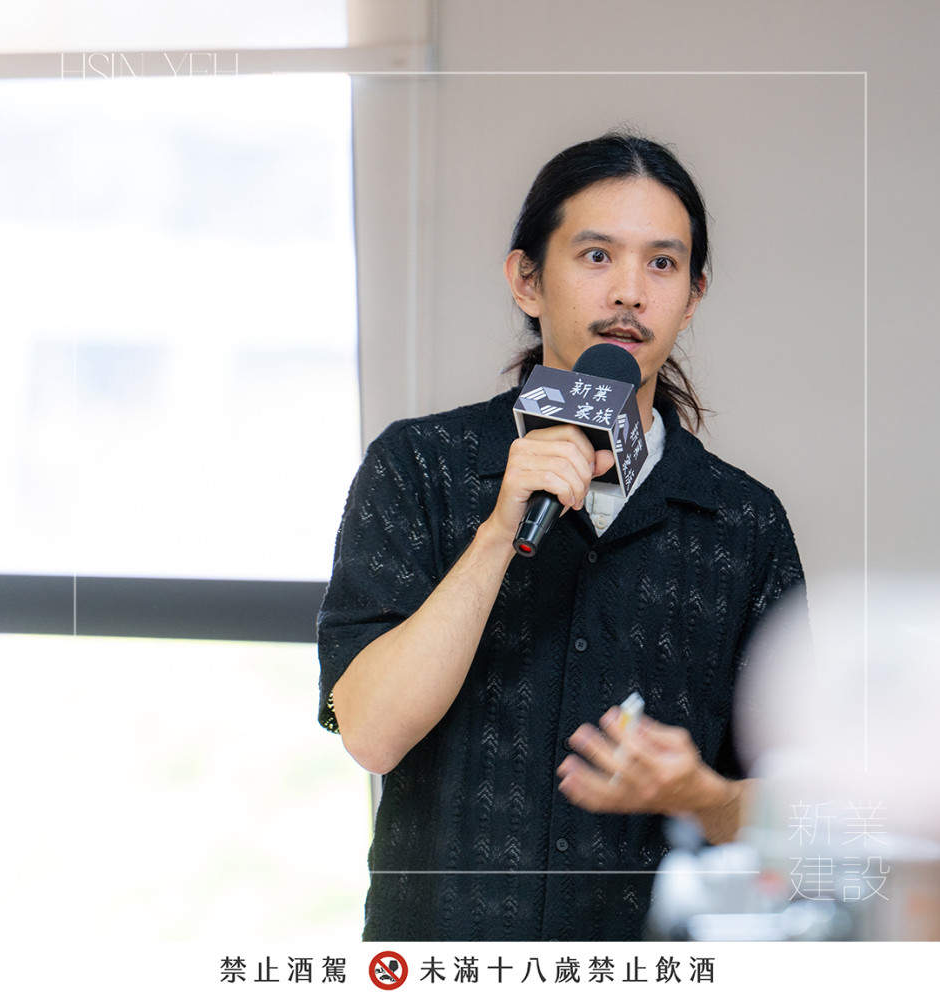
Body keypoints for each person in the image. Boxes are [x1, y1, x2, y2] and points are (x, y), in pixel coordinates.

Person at [317, 129, 806, 941]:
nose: (629, 292)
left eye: (661, 264)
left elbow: (809, 826)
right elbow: (368, 733)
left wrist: (702, 796)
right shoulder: (420, 467)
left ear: (692, 297)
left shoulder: (742, 523)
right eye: (595, 256)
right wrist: (498, 529)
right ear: (527, 279)